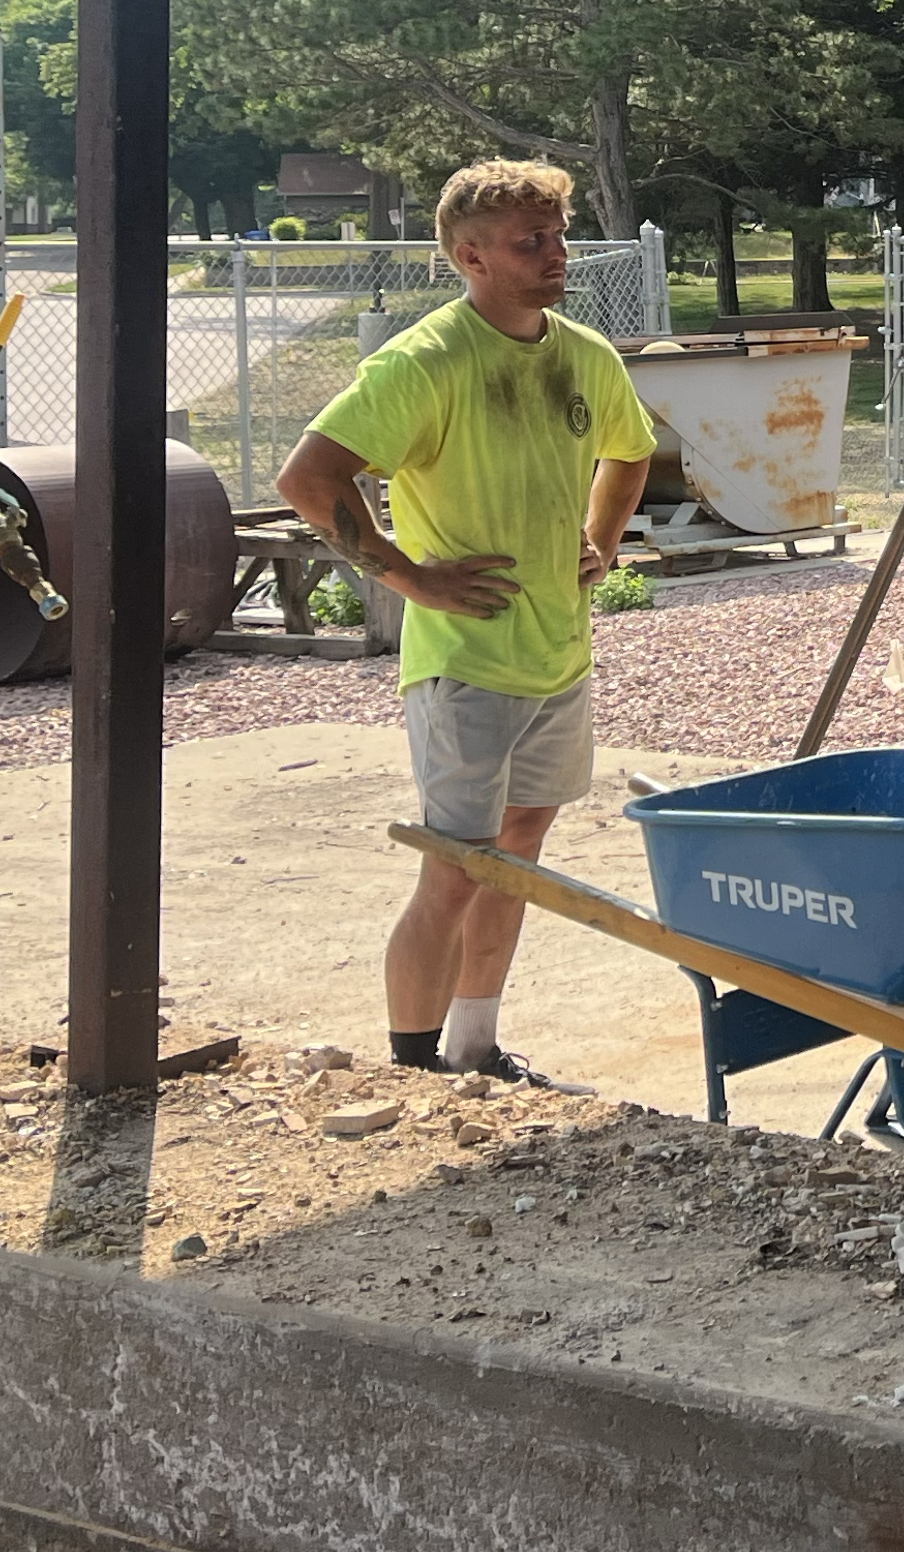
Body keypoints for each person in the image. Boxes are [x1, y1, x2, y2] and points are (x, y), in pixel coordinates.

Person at [277, 161, 656, 1082]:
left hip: (558, 655)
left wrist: (600, 542)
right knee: (455, 865)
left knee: (519, 852)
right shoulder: (424, 361)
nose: (555, 255)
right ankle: (411, 1067)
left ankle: (477, 1045)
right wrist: (410, 578)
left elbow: (632, 451)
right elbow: (308, 479)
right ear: (469, 256)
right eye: (531, 242)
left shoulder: (583, 353)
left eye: (558, 236)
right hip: (465, 663)